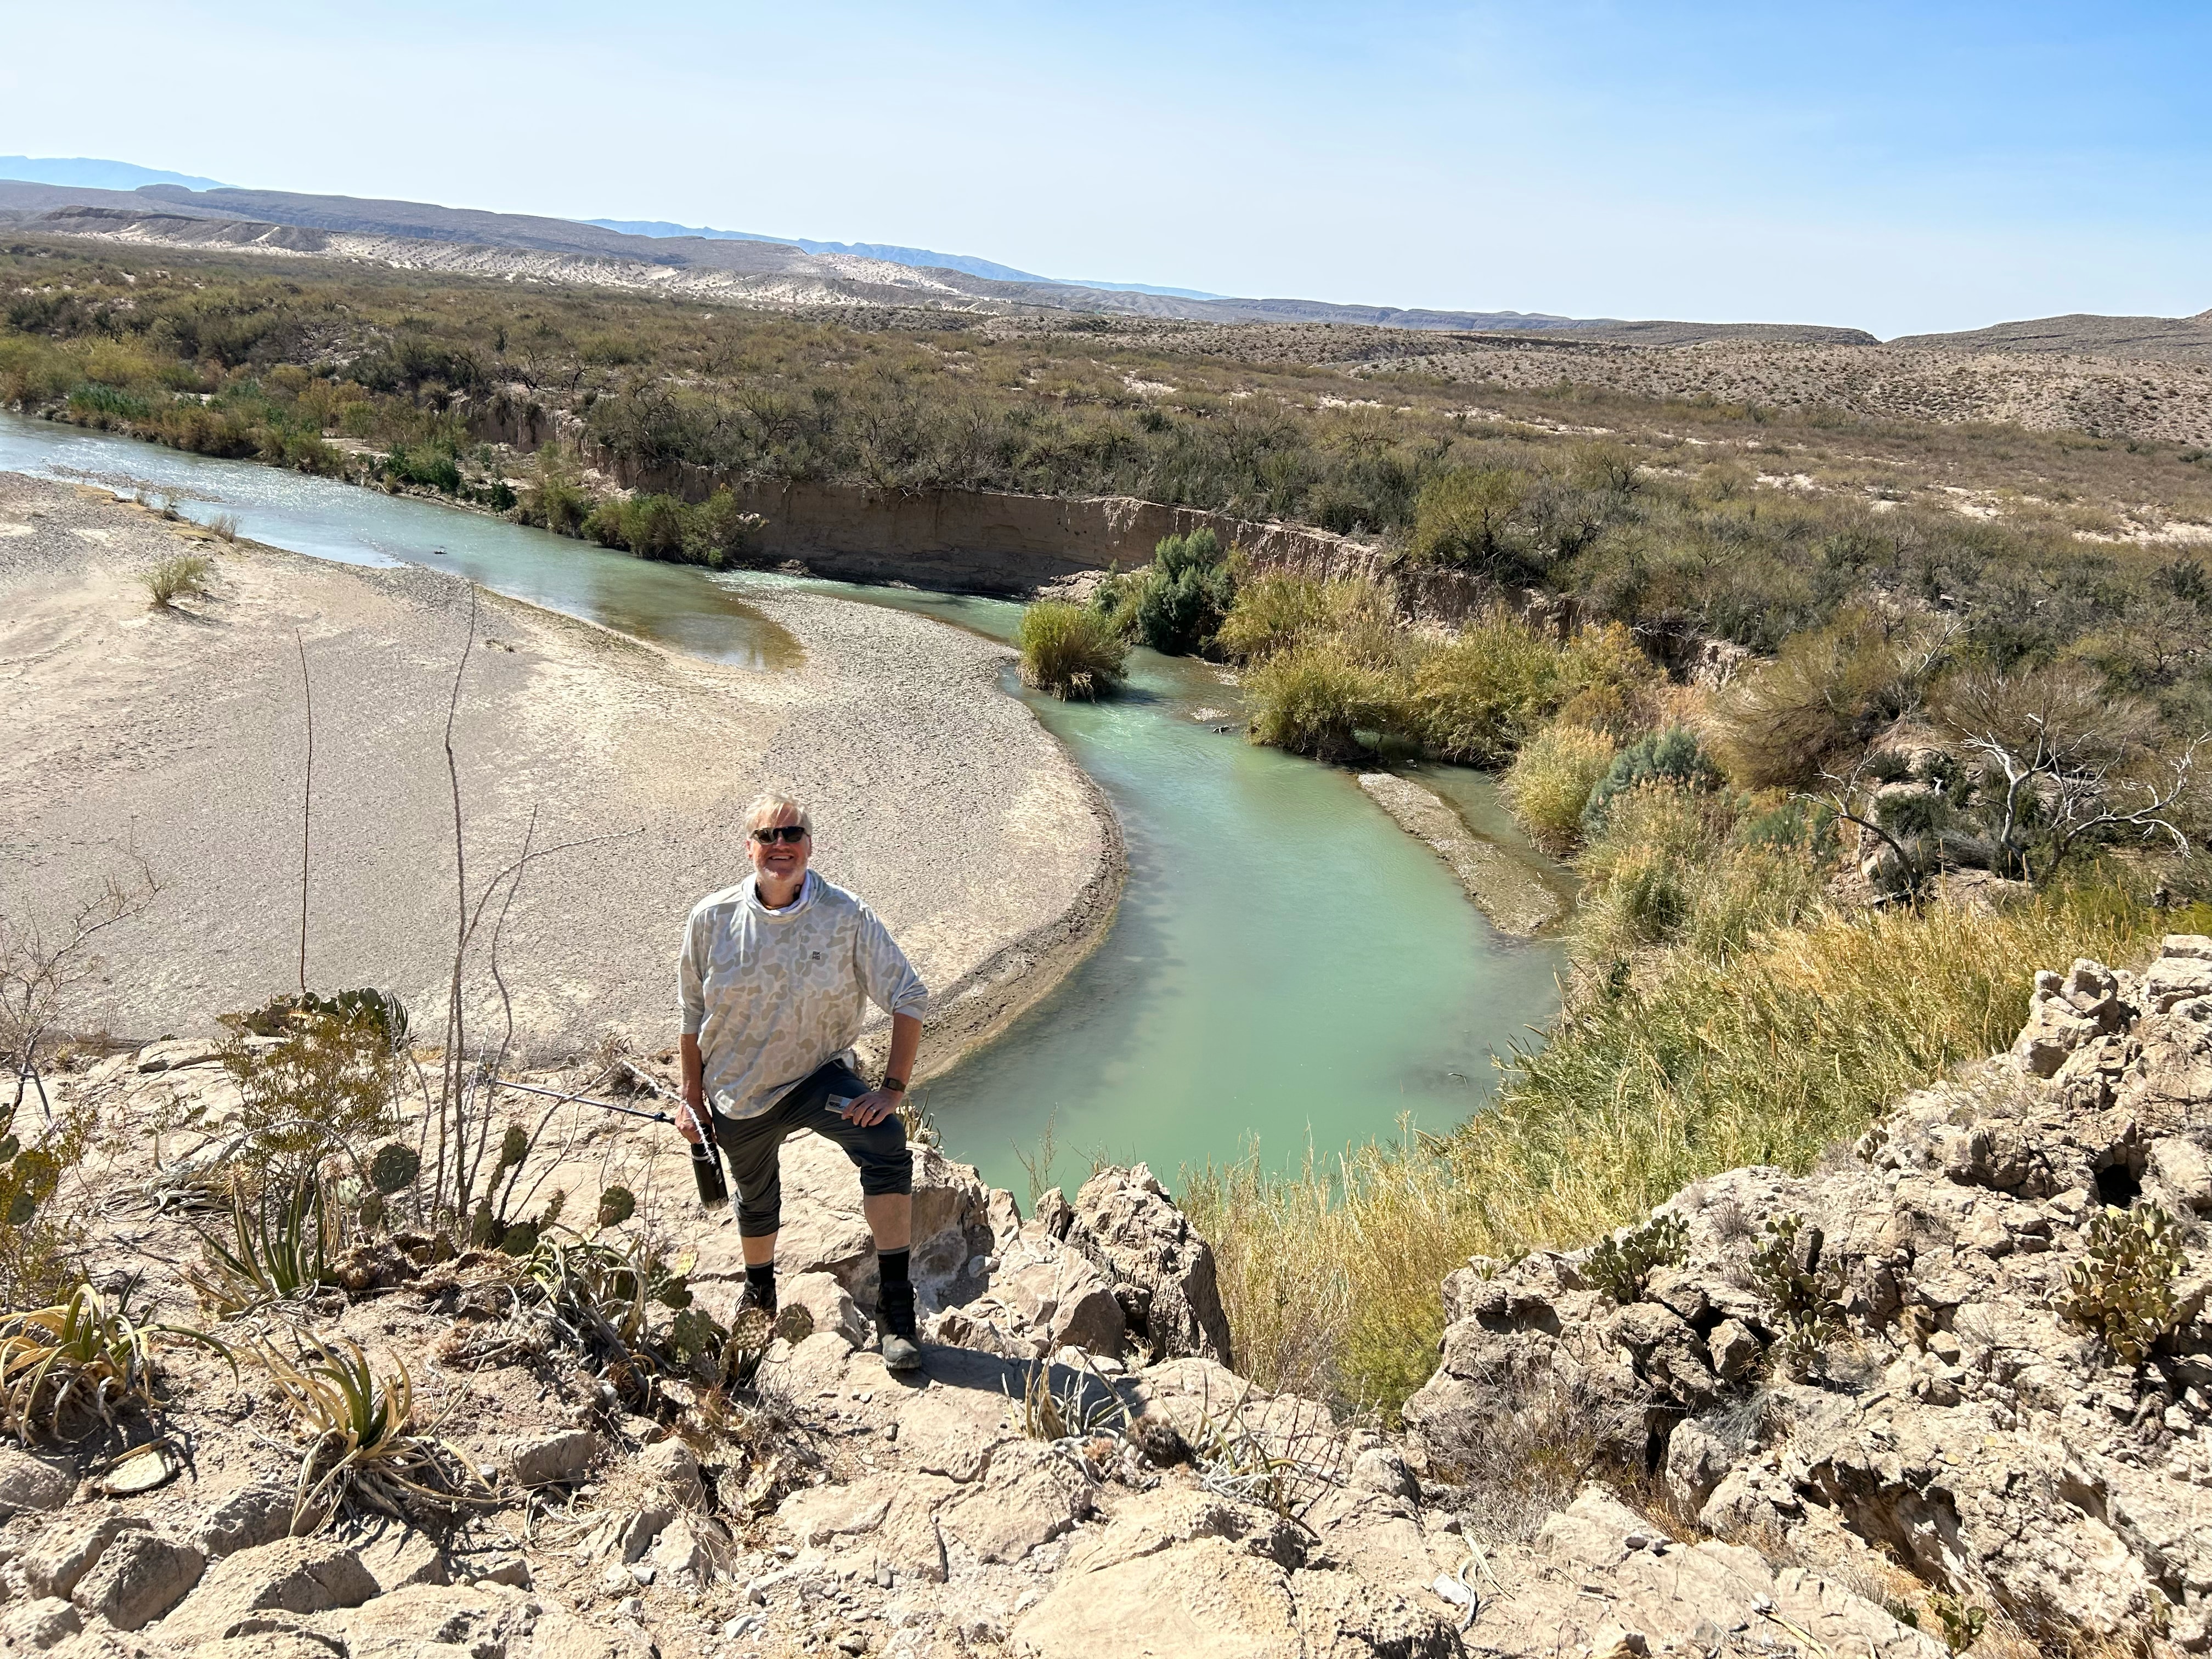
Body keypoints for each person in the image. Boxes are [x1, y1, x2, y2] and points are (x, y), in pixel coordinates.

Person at [676, 792, 927, 1373]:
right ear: (749, 847)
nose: (780, 845)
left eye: (792, 834)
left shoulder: (848, 916)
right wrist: (691, 1098)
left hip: (820, 1079)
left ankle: (895, 1309)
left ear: (810, 845)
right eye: (767, 836)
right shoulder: (711, 920)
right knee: (755, 1199)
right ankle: (759, 1294)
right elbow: (691, 1015)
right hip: (738, 1090)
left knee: (886, 1143)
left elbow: (909, 995)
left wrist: (891, 1089)